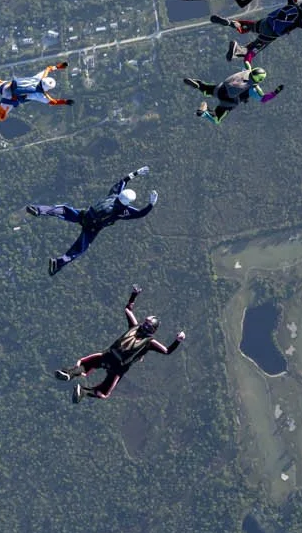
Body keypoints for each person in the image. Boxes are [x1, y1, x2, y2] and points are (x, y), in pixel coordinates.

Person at [56, 287, 184, 401]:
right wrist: (178, 340)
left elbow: (127, 309)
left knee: (87, 364)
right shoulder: (149, 342)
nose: (144, 327)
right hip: (118, 367)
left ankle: (71, 374)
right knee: (103, 391)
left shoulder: (135, 327)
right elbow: (167, 351)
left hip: (108, 356)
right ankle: (83, 391)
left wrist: (134, 294)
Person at [26, 167, 156, 273]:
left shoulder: (113, 195)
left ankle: (38, 209)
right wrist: (151, 204)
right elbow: (140, 214)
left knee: (63, 210)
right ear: (128, 202)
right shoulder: (122, 212)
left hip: (85, 215)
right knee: (79, 249)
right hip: (92, 228)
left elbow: (123, 181)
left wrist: (136, 173)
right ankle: (57, 263)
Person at [214, 0, 302, 62]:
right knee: (252, 49)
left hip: (265, 22)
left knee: (246, 26)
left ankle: (230, 23)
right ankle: (237, 49)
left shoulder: (293, 3)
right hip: (270, 34)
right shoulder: (301, 20)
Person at [0, 61, 71, 122]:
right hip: (10, 98)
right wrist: (65, 102)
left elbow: (48, 69)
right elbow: (53, 102)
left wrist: (60, 66)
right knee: (1, 115)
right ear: (47, 89)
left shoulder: (39, 78)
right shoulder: (41, 95)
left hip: (8, 85)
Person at [184, 64, 282, 122]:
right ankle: (204, 113)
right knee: (217, 118)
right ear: (260, 79)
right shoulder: (254, 88)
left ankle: (198, 84)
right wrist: (275, 92)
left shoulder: (247, 71)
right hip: (230, 100)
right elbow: (264, 99)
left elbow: (247, 59)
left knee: (208, 90)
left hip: (222, 88)